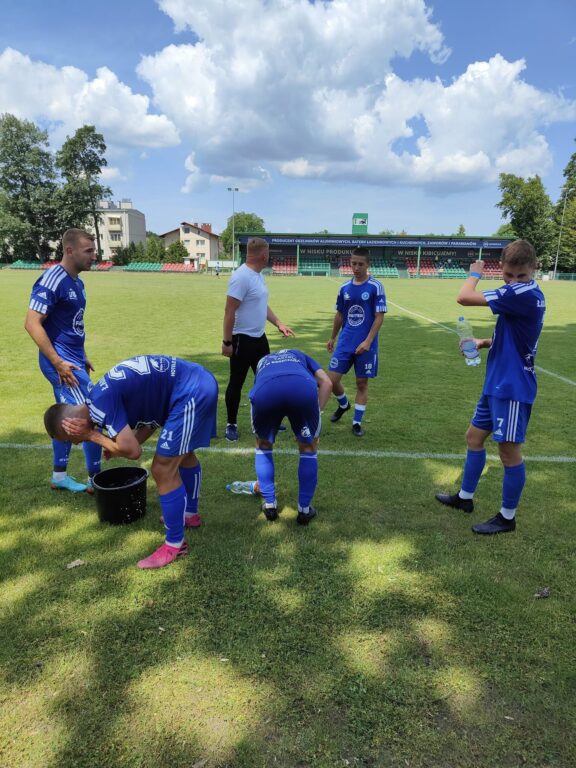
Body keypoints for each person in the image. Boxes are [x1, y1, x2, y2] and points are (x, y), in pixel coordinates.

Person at [43, 355, 218, 568]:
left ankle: (175, 544)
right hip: (195, 382)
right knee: (184, 455)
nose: (76, 443)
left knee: (162, 468)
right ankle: (189, 515)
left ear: (70, 425)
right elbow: (150, 423)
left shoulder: (98, 407)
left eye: (70, 439)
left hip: (192, 391)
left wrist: (93, 436)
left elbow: (133, 452)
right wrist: (116, 447)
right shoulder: (97, 398)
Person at [435, 240, 546, 535]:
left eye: (520, 275)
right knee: (473, 437)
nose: (513, 281)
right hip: (496, 381)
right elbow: (512, 336)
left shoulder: (523, 293)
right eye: (508, 275)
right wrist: (482, 343)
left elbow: (463, 298)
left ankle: (507, 517)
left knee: (509, 452)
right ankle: (465, 498)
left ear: (533, 270)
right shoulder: (519, 294)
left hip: (512, 386)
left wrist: (474, 272)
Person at [25, 228, 102, 493]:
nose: (94, 255)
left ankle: (59, 476)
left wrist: (82, 356)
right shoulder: (52, 279)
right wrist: (58, 362)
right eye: (88, 251)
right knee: (88, 416)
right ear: (69, 251)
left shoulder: (77, 282)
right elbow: (32, 323)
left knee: (69, 415)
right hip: (60, 363)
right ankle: (96, 481)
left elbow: (69, 325)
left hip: (73, 360)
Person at [244, 348, 332, 523]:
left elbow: (260, 382)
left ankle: (270, 505)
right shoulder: (301, 354)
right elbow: (327, 383)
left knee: (263, 445)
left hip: (265, 390)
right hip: (301, 388)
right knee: (308, 447)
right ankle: (304, 510)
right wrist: (316, 414)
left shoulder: (264, 360)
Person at [221, 237, 295, 442]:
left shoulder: (258, 275)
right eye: (268, 253)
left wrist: (279, 323)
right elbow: (229, 311)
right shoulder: (241, 277)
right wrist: (227, 342)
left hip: (259, 338)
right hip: (241, 340)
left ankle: (269, 419)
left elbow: (262, 305)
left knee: (267, 380)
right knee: (236, 382)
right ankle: (231, 424)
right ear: (264, 255)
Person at [326, 247, 387, 436]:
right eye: (353, 263)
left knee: (362, 383)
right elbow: (339, 315)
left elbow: (379, 317)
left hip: (366, 345)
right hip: (345, 342)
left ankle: (356, 423)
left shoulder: (376, 286)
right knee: (331, 381)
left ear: (368, 264)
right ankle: (344, 404)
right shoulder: (344, 288)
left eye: (361, 264)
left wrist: (368, 341)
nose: (356, 267)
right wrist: (333, 337)